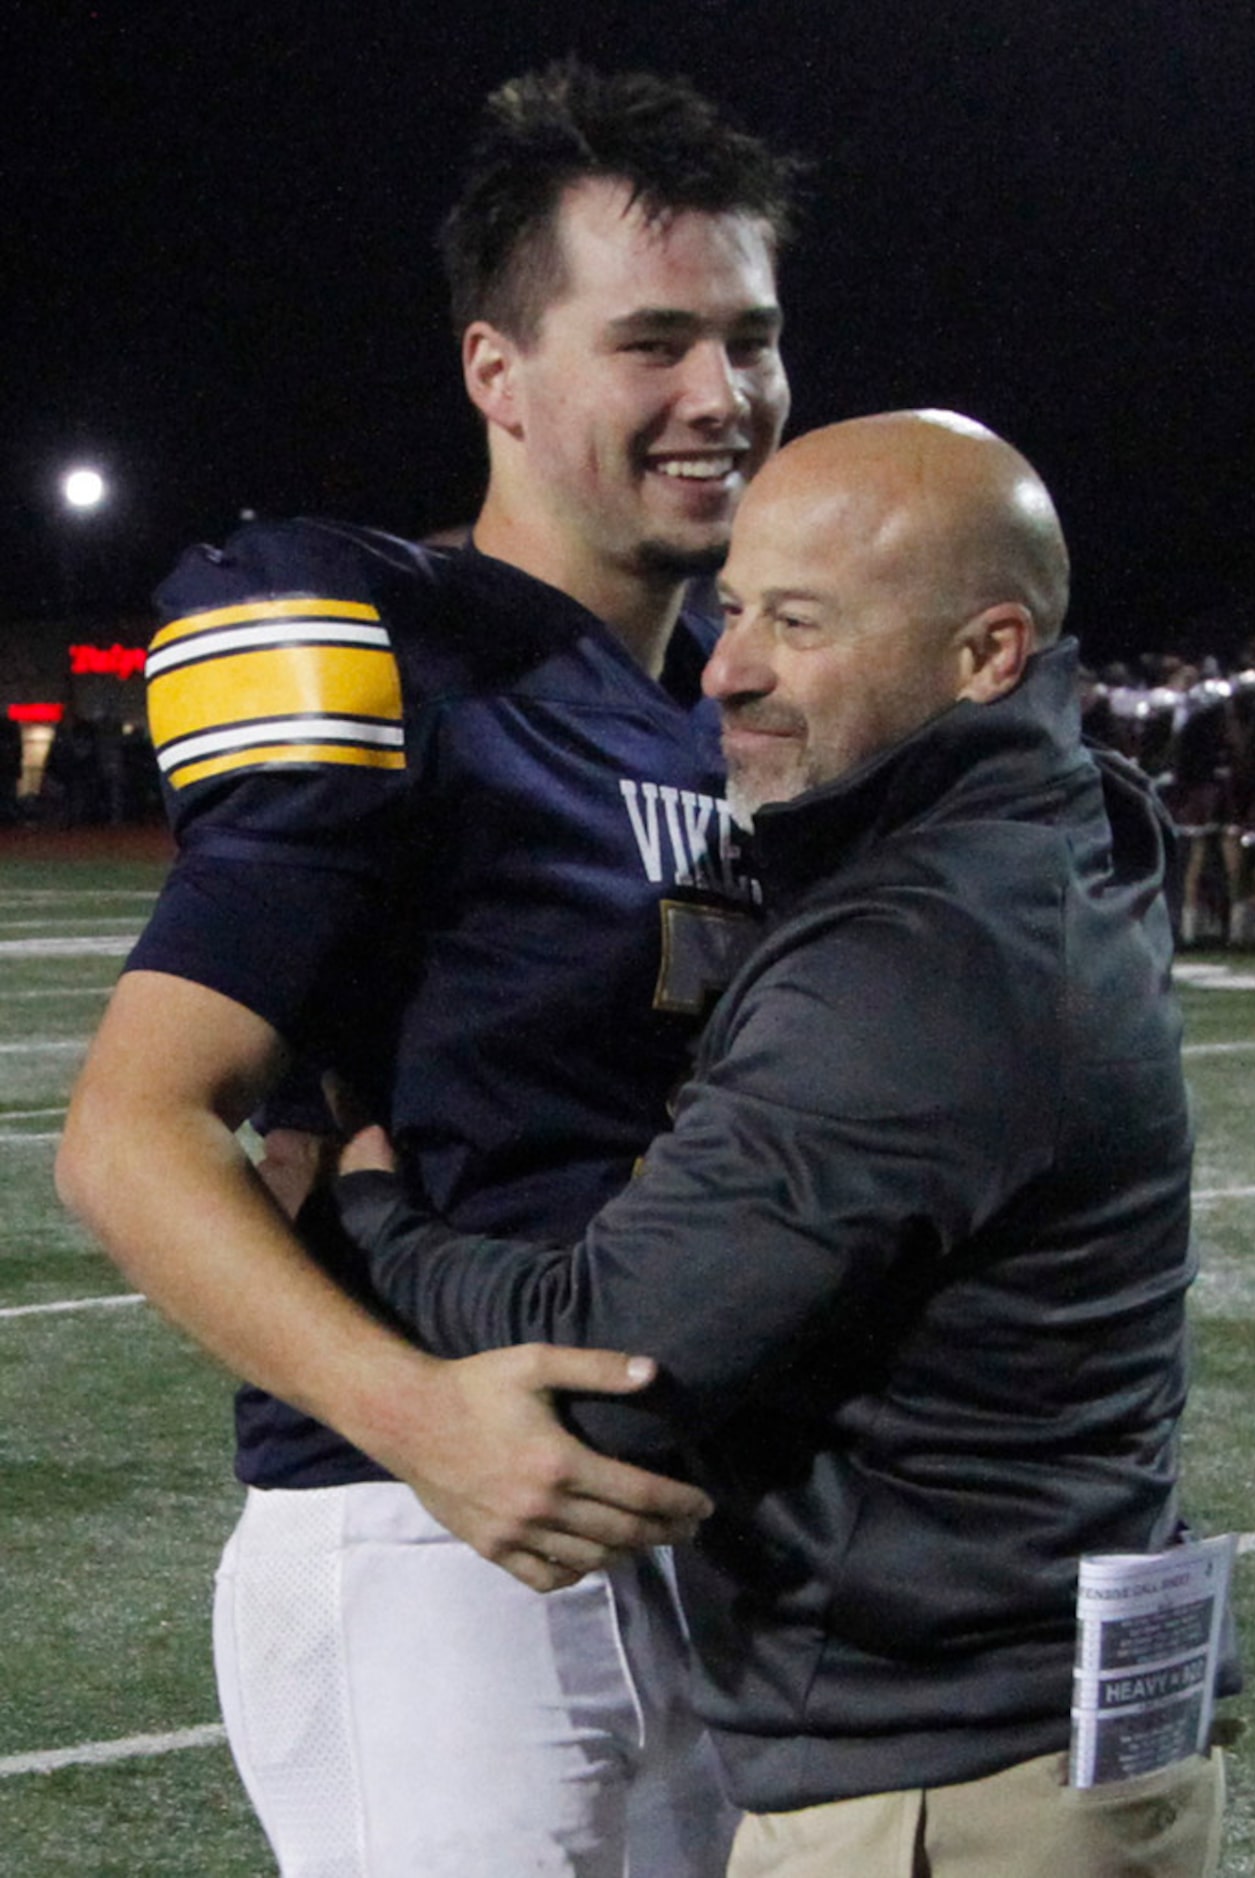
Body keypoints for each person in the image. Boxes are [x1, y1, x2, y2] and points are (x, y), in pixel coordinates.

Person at [56, 62, 798, 1877]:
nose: (724, 395)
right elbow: (128, 1135)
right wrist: (421, 1422)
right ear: (498, 374)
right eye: (654, 341)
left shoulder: (729, 707)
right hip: (424, 1538)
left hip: (688, 1534)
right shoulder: (397, 643)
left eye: (753, 337)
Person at [334, 411, 1231, 1877]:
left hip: (948, 1780)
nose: (731, 666)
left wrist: (378, 1211)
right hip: (1048, 1737)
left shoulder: (919, 953)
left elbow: (611, 1363)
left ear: (986, 654)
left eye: (798, 625)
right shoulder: (1070, 819)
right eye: (736, 606)